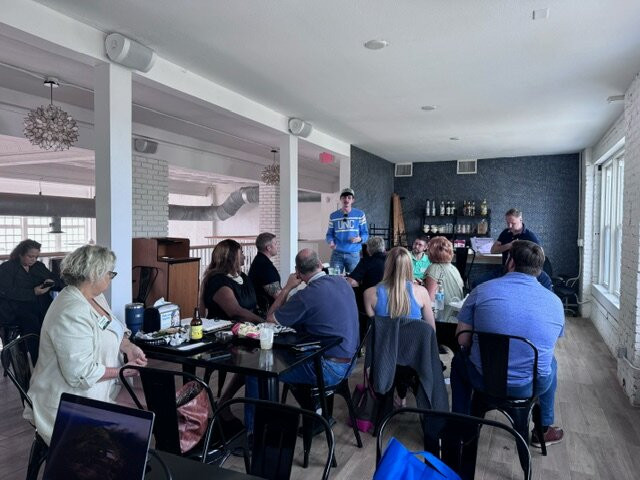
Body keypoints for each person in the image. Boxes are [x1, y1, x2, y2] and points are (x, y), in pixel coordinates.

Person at [23, 245, 148, 445]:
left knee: (161, 406)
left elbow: (113, 329)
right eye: (109, 273)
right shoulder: (71, 310)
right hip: (70, 401)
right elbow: (80, 373)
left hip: (103, 389)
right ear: (94, 274)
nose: (111, 277)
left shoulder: (94, 297)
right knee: (147, 419)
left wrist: (128, 347)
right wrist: (123, 371)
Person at [451, 240, 565, 447]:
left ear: (510, 262)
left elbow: (462, 340)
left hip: (483, 379)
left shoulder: (481, 291)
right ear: (539, 269)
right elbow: (549, 343)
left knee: (459, 361)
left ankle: (461, 426)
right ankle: (543, 429)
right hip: (530, 387)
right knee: (551, 363)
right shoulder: (555, 302)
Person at [267, 248, 359, 388]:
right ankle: (307, 401)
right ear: (320, 264)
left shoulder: (305, 296)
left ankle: (262, 403)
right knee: (291, 355)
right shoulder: (343, 282)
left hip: (329, 368)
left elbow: (270, 320)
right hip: (350, 361)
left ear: (297, 272)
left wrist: (287, 288)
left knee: (262, 370)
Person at [0, 239, 61, 361]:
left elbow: (54, 279)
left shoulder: (38, 266)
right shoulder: (7, 268)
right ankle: (36, 360)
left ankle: (51, 358)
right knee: (33, 326)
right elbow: (6, 291)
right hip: (16, 309)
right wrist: (33, 292)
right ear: (20, 254)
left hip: (39, 306)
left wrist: (51, 283)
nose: (33, 259)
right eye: (30, 256)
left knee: (55, 319)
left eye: (36, 257)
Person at [363, 246, 435, 331]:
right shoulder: (422, 292)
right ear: (410, 266)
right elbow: (431, 331)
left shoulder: (369, 294)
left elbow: (374, 330)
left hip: (384, 339)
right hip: (414, 339)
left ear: (387, 265)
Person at [200, 239, 263, 323]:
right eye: (241, 253)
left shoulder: (243, 276)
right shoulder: (218, 281)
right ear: (231, 257)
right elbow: (236, 312)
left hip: (249, 327)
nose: (244, 256)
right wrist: (264, 322)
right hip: (226, 329)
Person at [424, 236, 464, 349]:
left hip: (442, 318)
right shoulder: (453, 268)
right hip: (455, 317)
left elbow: (429, 299)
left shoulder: (434, 268)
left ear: (432, 252)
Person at [326, 187, 369, 274]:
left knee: (354, 279)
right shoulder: (333, 216)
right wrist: (331, 242)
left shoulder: (360, 214)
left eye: (349, 197)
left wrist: (360, 239)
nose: (346, 200)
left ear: (353, 200)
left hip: (354, 254)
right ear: (340, 199)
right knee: (333, 278)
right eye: (344, 197)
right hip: (337, 254)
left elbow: (365, 233)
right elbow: (329, 234)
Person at [248, 232, 281, 315]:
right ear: (268, 248)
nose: (277, 246)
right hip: (266, 314)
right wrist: (290, 286)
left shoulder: (260, 261)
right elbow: (278, 296)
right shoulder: (264, 266)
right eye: (275, 244)